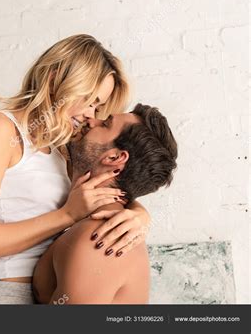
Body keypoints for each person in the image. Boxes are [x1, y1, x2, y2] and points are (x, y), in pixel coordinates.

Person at [0, 34, 152, 304]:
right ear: (56, 78)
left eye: (99, 106)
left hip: (53, 293)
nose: (92, 115)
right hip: (4, 293)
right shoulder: (2, 131)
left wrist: (140, 215)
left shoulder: (67, 146)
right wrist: (67, 215)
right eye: (90, 100)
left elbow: (106, 189)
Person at [33, 104, 178, 304]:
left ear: (114, 158)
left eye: (105, 123)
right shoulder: (100, 226)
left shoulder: (100, 239)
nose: (91, 120)